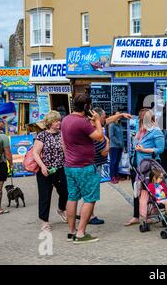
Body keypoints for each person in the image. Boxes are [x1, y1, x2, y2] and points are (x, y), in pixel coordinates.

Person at [61, 94, 104, 244]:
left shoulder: (65, 119)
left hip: (70, 165)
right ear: (86, 106)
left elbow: (65, 142)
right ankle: (80, 233)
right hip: (84, 166)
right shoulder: (82, 122)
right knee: (90, 198)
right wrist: (97, 121)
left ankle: (71, 232)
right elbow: (99, 137)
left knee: (72, 197)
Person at [125, 108, 165, 226]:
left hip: (150, 166)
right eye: (140, 119)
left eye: (143, 119)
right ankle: (136, 216)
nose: (141, 121)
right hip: (136, 165)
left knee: (150, 191)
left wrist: (144, 150)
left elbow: (160, 149)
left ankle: (149, 214)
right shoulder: (138, 131)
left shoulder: (156, 131)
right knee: (136, 191)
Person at [32, 111, 68, 231]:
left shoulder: (62, 134)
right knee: (45, 195)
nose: (59, 123)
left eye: (59, 120)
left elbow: (66, 151)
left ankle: (61, 209)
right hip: (45, 169)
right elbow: (35, 153)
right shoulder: (42, 135)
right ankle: (44, 221)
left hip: (60, 168)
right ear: (50, 122)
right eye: (56, 121)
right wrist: (42, 166)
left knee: (65, 191)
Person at [109, 111, 125, 184]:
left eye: (119, 115)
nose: (118, 116)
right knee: (113, 162)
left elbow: (121, 136)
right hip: (114, 146)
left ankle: (116, 175)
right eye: (117, 115)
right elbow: (111, 136)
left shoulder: (119, 124)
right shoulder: (112, 125)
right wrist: (119, 143)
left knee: (117, 161)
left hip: (120, 146)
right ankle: (112, 177)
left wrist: (122, 144)